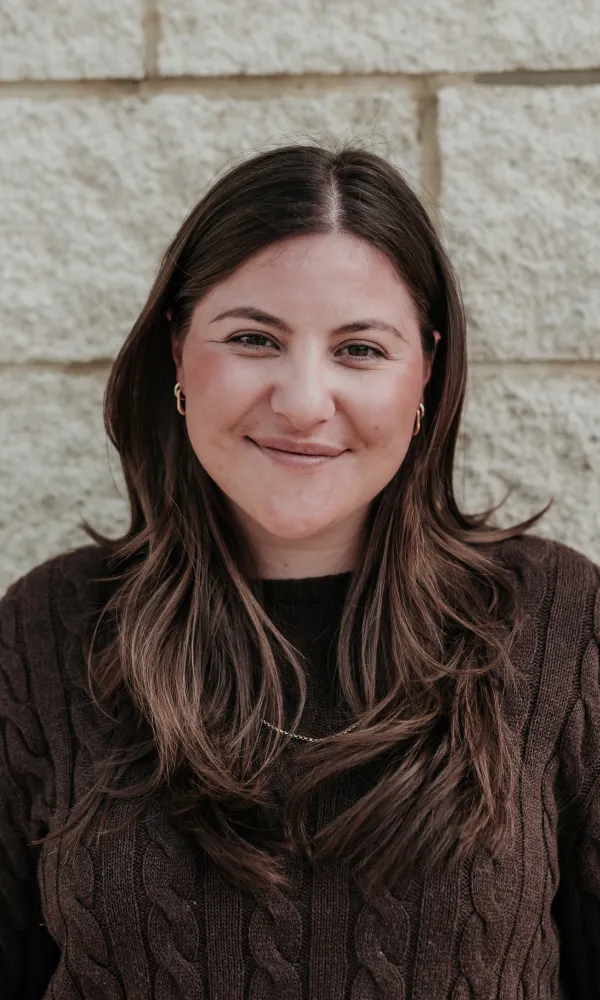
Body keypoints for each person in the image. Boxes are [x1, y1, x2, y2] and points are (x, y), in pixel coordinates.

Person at [0, 142, 598, 1000]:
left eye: (359, 349)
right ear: (177, 350)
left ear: (425, 371)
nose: (303, 401)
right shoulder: (44, 630)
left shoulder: (560, 623)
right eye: (253, 338)